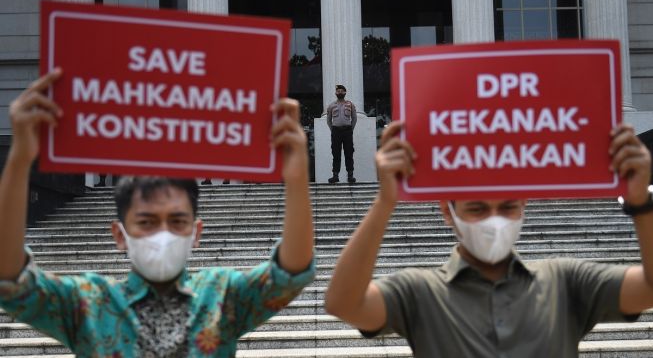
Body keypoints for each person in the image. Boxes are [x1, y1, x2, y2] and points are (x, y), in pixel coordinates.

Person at [0, 69, 315, 357]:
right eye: (146, 222)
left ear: (196, 232)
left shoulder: (222, 296)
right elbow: (12, 281)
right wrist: (19, 160)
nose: (162, 233)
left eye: (177, 221)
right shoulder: (89, 304)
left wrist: (297, 176)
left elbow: (289, 275)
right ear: (119, 234)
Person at [324, 121, 653, 357]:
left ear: (524, 205)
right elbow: (343, 303)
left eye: (508, 206)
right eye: (477, 208)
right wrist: (385, 202)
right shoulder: (420, 292)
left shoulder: (567, 282)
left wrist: (641, 201)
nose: (494, 220)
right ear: (447, 212)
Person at [326, 84, 357, 183]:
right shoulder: (331, 106)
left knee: (349, 153)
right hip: (336, 131)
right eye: (338, 91)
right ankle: (335, 176)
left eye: (341, 91)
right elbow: (328, 120)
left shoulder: (350, 104)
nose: (340, 92)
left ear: (345, 92)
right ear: (335, 93)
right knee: (336, 153)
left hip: (347, 131)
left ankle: (350, 176)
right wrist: (333, 129)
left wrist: (350, 129)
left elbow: (354, 118)